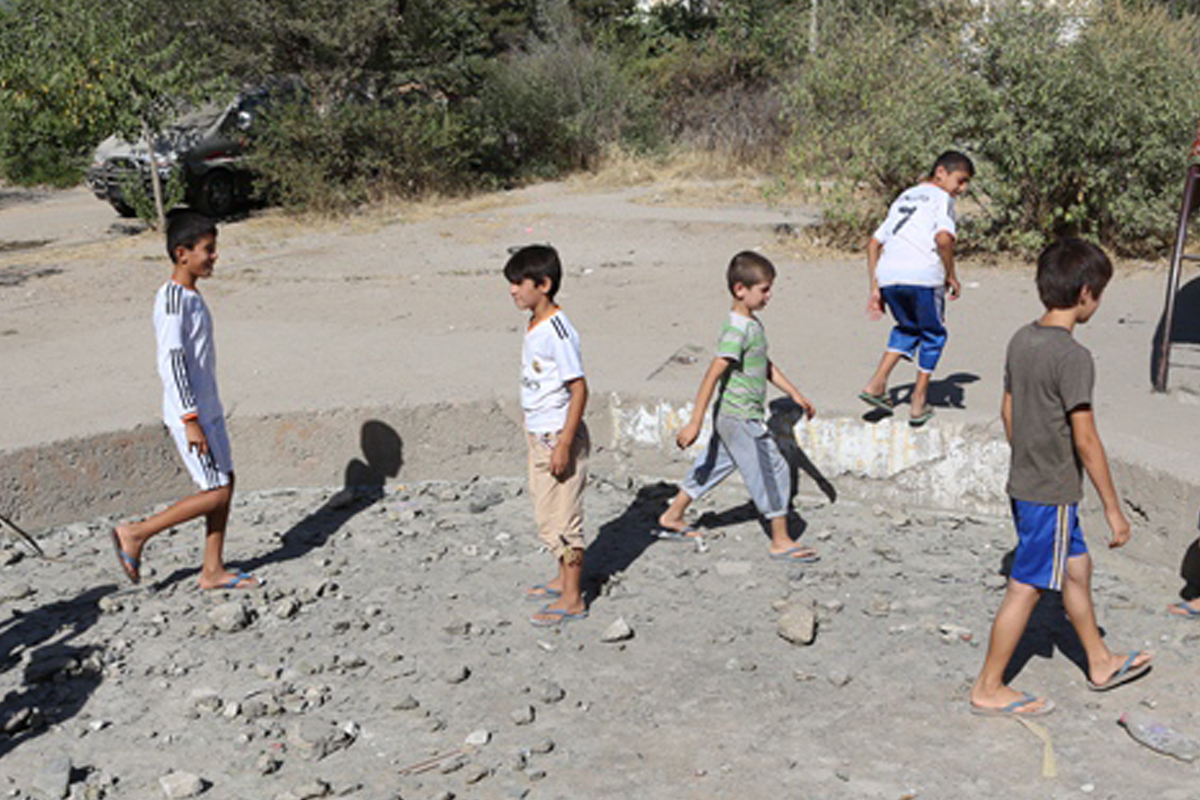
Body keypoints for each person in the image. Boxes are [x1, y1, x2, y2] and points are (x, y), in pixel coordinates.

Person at [970, 238, 1152, 717]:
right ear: (1086, 293)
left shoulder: (1021, 339)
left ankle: (1100, 661)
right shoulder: (1073, 357)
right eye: (1100, 293)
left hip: (1027, 482)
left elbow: (1008, 410)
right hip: (1050, 492)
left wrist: (1028, 457)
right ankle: (988, 685)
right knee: (1026, 586)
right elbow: (1086, 439)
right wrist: (1113, 508)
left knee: (1076, 566)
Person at [110, 210, 261, 590]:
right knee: (215, 491)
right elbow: (172, 361)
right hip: (191, 415)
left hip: (208, 410)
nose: (214, 256)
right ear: (182, 254)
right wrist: (190, 419)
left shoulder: (191, 296)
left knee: (225, 482)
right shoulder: (173, 300)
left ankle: (212, 571)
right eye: (207, 249)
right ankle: (136, 533)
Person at [656, 251, 819, 562]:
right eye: (764, 289)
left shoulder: (751, 325)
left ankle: (672, 515)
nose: (769, 296)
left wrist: (795, 394)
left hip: (731, 416)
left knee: (714, 464)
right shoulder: (737, 330)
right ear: (740, 289)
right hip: (741, 417)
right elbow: (712, 374)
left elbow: (763, 364)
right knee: (774, 469)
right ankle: (781, 540)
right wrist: (695, 422)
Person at [505, 245, 591, 627]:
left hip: (558, 436)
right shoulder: (535, 324)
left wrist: (565, 444)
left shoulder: (558, 331)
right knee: (547, 515)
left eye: (519, 283)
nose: (513, 290)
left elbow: (580, 388)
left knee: (565, 520)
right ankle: (562, 578)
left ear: (544, 284)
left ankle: (573, 598)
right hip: (540, 434)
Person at [858, 150, 974, 426]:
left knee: (908, 328)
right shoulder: (942, 198)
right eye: (961, 181)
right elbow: (944, 239)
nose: (962, 189)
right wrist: (951, 275)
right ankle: (919, 400)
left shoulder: (905, 196)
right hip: (923, 276)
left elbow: (873, 244)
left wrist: (875, 286)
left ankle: (876, 384)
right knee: (933, 334)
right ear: (941, 173)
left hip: (889, 276)